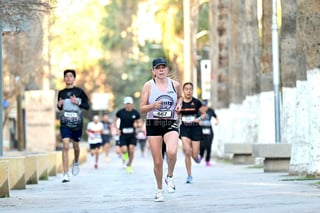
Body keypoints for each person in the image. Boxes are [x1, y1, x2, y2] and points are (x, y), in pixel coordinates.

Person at [140, 57, 182, 202]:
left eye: (163, 67)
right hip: (153, 124)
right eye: (158, 68)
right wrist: (152, 106)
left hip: (170, 122)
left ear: (167, 69)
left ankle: (169, 177)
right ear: (153, 71)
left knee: (172, 151)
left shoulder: (175, 85)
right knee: (158, 162)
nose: (161, 70)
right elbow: (142, 108)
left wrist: (179, 105)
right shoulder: (148, 86)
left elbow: (180, 97)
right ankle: (159, 190)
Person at [57, 69, 89, 183]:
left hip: (77, 124)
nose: (68, 78)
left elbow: (87, 106)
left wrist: (78, 102)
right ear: (64, 78)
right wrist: (59, 105)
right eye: (66, 76)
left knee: (76, 146)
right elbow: (60, 107)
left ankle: (76, 161)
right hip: (65, 123)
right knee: (65, 145)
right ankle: (65, 174)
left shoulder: (79, 92)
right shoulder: (61, 93)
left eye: (71, 76)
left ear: (74, 78)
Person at [179, 82, 206, 184]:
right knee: (187, 151)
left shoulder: (196, 102)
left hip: (195, 129)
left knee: (194, 155)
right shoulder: (180, 102)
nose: (188, 91)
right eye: (186, 89)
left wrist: (198, 119)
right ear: (183, 90)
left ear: (192, 90)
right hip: (185, 128)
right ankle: (189, 175)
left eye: (190, 89)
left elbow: (204, 114)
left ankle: (196, 157)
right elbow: (176, 114)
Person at [113, 96, 141, 174]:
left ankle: (129, 165)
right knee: (124, 150)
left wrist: (137, 125)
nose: (128, 105)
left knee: (131, 149)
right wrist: (117, 129)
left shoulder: (135, 112)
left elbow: (140, 122)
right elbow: (114, 120)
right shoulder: (121, 112)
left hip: (132, 134)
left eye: (129, 103)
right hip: (123, 134)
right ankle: (125, 155)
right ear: (125, 104)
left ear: (132, 104)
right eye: (127, 104)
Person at [199, 99, 219, 167]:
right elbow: (195, 119)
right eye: (203, 106)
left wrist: (217, 121)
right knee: (202, 145)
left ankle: (207, 161)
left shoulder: (210, 110)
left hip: (209, 130)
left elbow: (216, 116)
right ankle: (201, 155)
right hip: (201, 130)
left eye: (205, 106)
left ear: (207, 105)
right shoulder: (199, 111)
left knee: (209, 146)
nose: (204, 107)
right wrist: (199, 122)